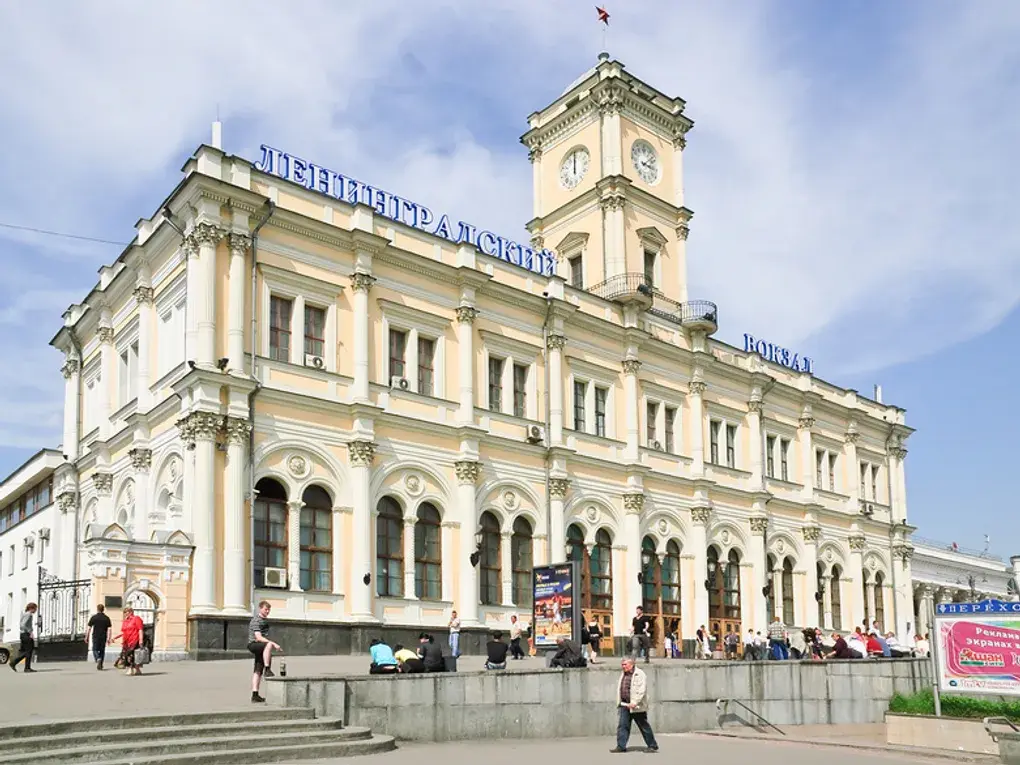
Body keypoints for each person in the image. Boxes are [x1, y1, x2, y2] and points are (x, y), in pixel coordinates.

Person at [610, 657, 659, 754]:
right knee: (623, 726)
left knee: (644, 726)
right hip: (625, 704)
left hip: (637, 706)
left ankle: (652, 745)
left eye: (625, 664)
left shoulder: (639, 674)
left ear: (631, 664)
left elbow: (641, 690)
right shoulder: (623, 674)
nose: (623, 666)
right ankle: (621, 746)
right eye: (622, 664)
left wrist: (635, 702)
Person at [248, 600, 282, 703]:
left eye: (269, 610)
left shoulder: (264, 621)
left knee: (257, 670)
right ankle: (268, 669)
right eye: (265, 609)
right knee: (269, 644)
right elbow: (258, 637)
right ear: (260, 608)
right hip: (253, 644)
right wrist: (273, 643)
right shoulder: (256, 620)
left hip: (260, 646)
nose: (267, 611)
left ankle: (255, 695)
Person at [113, 606, 146, 676]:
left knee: (131, 655)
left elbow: (140, 629)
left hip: (135, 640)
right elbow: (123, 632)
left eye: (127, 612)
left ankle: (130, 669)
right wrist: (115, 638)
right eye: (124, 612)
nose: (125, 613)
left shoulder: (136, 619)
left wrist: (141, 640)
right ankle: (137, 670)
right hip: (126, 641)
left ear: (131, 612)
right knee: (129, 655)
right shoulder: (125, 621)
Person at [10, 602, 37, 673]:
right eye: (35, 608)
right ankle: (26, 667)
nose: (36, 610)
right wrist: (29, 632)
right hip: (26, 635)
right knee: (29, 651)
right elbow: (22, 625)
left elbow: (22, 624)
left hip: (23, 634)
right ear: (31, 608)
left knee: (26, 651)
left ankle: (15, 663)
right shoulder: (29, 614)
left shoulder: (25, 614)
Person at [85, 603, 112, 670]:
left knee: (94, 649)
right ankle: (101, 663)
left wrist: (87, 636)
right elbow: (109, 629)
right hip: (103, 636)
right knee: (102, 650)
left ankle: (98, 658)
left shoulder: (94, 617)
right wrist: (109, 638)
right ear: (103, 609)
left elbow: (89, 628)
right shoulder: (106, 618)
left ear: (97, 609)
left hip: (96, 636)